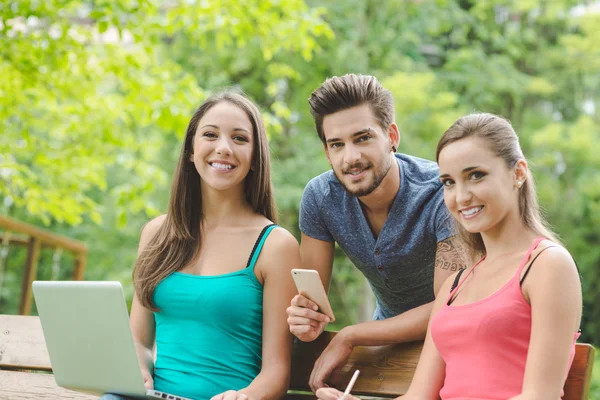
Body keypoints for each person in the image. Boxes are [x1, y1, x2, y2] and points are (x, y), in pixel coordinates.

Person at [316, 113, 583, 400]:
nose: (461, 196)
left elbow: (540, 395)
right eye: (449, 182)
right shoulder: (455, 285)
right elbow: (418, 396)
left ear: (518, 173)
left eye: (476, 176)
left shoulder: (547, 266)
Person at [101, 91, 300, 400]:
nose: (223, 148)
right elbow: (137, 340)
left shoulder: (276, 245)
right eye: (210, 135)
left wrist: (242, 397)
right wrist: (138, 369)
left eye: (239, 139)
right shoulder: (156, 234)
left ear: (255, 158)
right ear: (191, 151)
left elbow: (276, 372)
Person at [286, 74, 467, 393]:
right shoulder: (320, 197)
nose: (350, 157)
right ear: (327, 152)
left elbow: (449, 305)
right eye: (337, 145)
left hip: (456, 344)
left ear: (392, 135)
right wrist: (306, 321)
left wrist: (352, 334)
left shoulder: (440, 194)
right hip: (385, 343)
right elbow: (312, 300)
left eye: (363, 138)